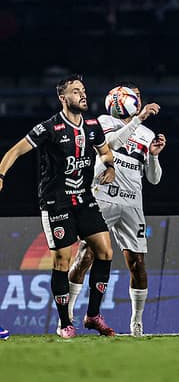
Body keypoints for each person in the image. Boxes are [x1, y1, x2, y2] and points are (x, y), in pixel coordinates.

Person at [0, 75, 117, 338]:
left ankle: (93, 316)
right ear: (63, 98)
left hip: (84, 199)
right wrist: (1, 174)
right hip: (56, 202)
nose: (82, 95)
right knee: (62, 261)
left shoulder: (93, 125)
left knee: (105, 251)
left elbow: (106, 152)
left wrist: (109, 166)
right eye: (76, 91)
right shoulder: (49, 128)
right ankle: (65, 323)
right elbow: (15, 151)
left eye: (84, 90)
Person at [67, 82, 165, 337]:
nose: (137, 100)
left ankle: (136, 323)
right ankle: (66, 317)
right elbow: (108, 144)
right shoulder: (103, 122)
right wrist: (137, 121)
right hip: (103, 198)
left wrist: (153, 156)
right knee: (87, 254)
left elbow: (153, 179)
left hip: (133, 203)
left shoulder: (146, 134)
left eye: (139, 96)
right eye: (134, 96)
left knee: (137, 263)